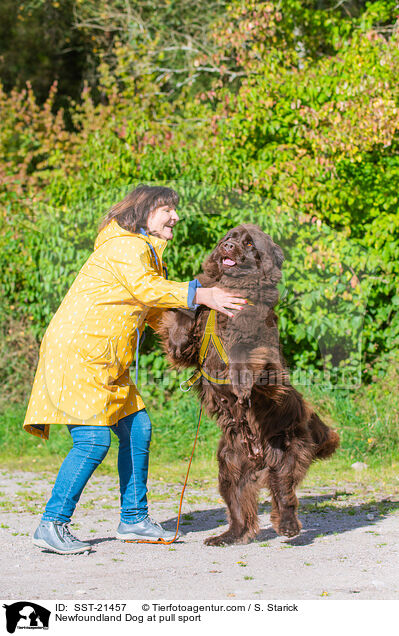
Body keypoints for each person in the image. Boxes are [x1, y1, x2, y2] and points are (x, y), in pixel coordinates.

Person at [23, 184, 246, 554]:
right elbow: (147, 290)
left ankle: (133, 519)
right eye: (166, 210)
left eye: (175, 209)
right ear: (144, 214)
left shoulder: (143, 253)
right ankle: (52, 523)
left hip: (105, 359)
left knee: (137, 427)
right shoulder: (127, 247)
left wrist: (201, 330)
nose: (175, 216)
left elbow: (157, 310)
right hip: (80, 354)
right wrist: (200, 293)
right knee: (93, 441)